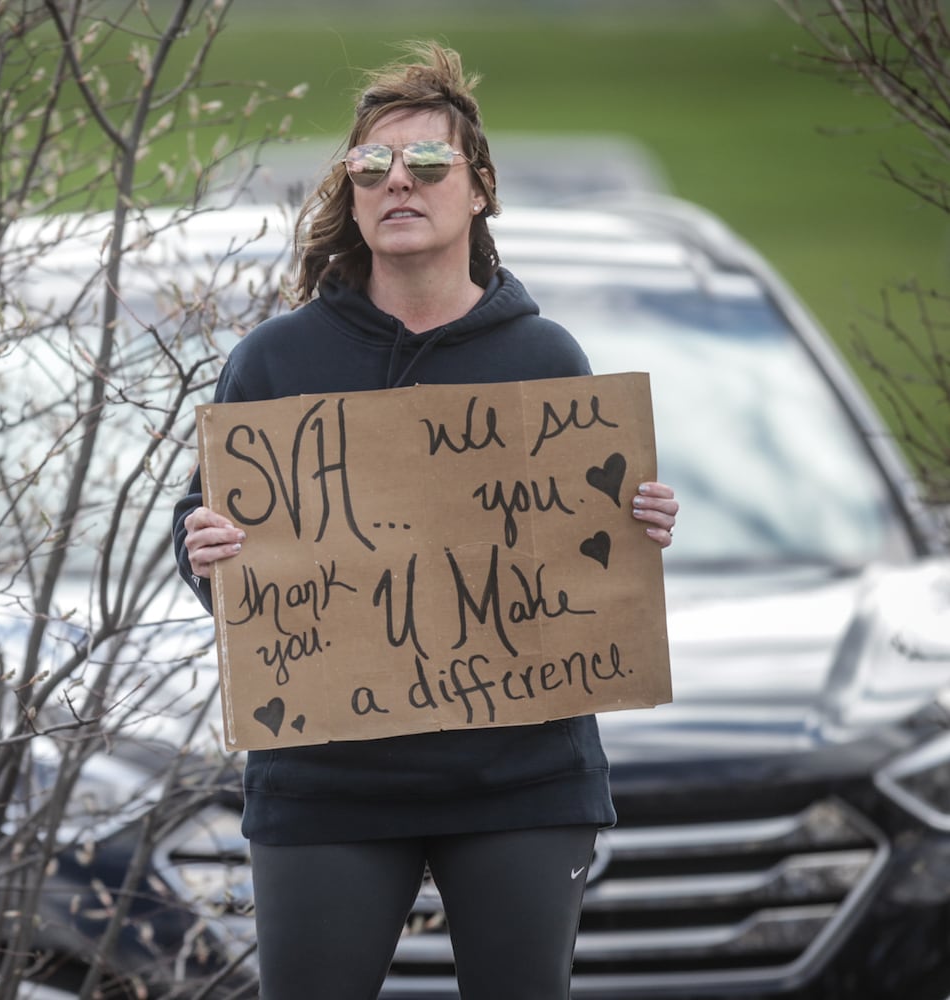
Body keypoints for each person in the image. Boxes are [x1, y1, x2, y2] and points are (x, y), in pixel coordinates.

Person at [171, 42, 680, 1000]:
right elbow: (211, 547)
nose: (397, 182)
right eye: (372, 167)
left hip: (521, 781)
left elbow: (584, 554)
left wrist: (637, 525)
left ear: (479, 190)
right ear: (353, 194)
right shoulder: (273, 364)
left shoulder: (545, 357)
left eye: (429, 165)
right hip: (325, 784)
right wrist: (205, 551)